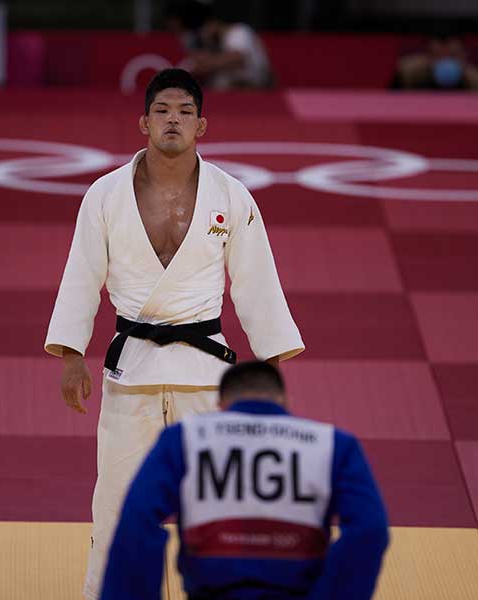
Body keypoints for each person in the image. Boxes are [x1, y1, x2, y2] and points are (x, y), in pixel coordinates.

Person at [44, 69, 304, 600]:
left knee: (214, 503)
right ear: (143, 121)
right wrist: (71, 354)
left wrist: (270, 365)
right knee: (117, 503)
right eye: (162, 110)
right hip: (131, 368)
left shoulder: (231, 195)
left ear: (201, 125)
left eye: (185, 112)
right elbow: (81, 275)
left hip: (204, 371)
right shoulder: (105, 194)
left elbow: (256, 282)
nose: (173, 121)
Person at [101, 361, 389, 600]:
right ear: (286, 401)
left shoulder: (185, 439)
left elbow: (137, 520)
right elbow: (370, 530)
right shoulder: (333, 444)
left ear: (221, 404)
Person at [166, 1, 273, 90]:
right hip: (227, 95)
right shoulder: (213, 45)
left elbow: (237, 58)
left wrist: (205, 64)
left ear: (213, 24)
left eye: (204, 29)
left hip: (252, 92)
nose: (203, 34)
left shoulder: (238, 31)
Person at [390, 30, 478, 92]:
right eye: (437, 56)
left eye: (452, 56)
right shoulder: (411, 76)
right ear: (427, 56)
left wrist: (476, 82)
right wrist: (403, 76)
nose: (445, 61)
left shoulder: (475, 81)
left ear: (464, 56)